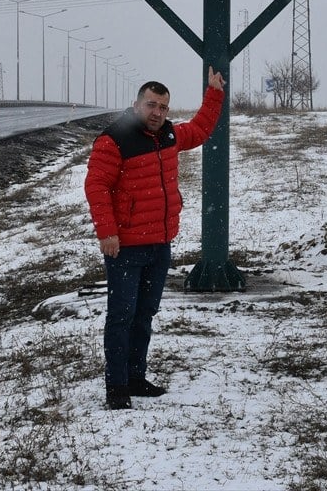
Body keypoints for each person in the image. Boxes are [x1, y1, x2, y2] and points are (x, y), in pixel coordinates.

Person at [84, 66, 226, 410]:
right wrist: (108, 232)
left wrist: (215, 93)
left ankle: (136, 377)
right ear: (137, 105)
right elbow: (96, 186)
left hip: (159, 244)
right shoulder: (114, 140)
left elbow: (201, 129)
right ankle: (117, 387)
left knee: (144, 314)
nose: (157, 113)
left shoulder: (169, 135)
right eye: (151, 105)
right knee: (121, 316)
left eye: (163, 107)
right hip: (125, 247)